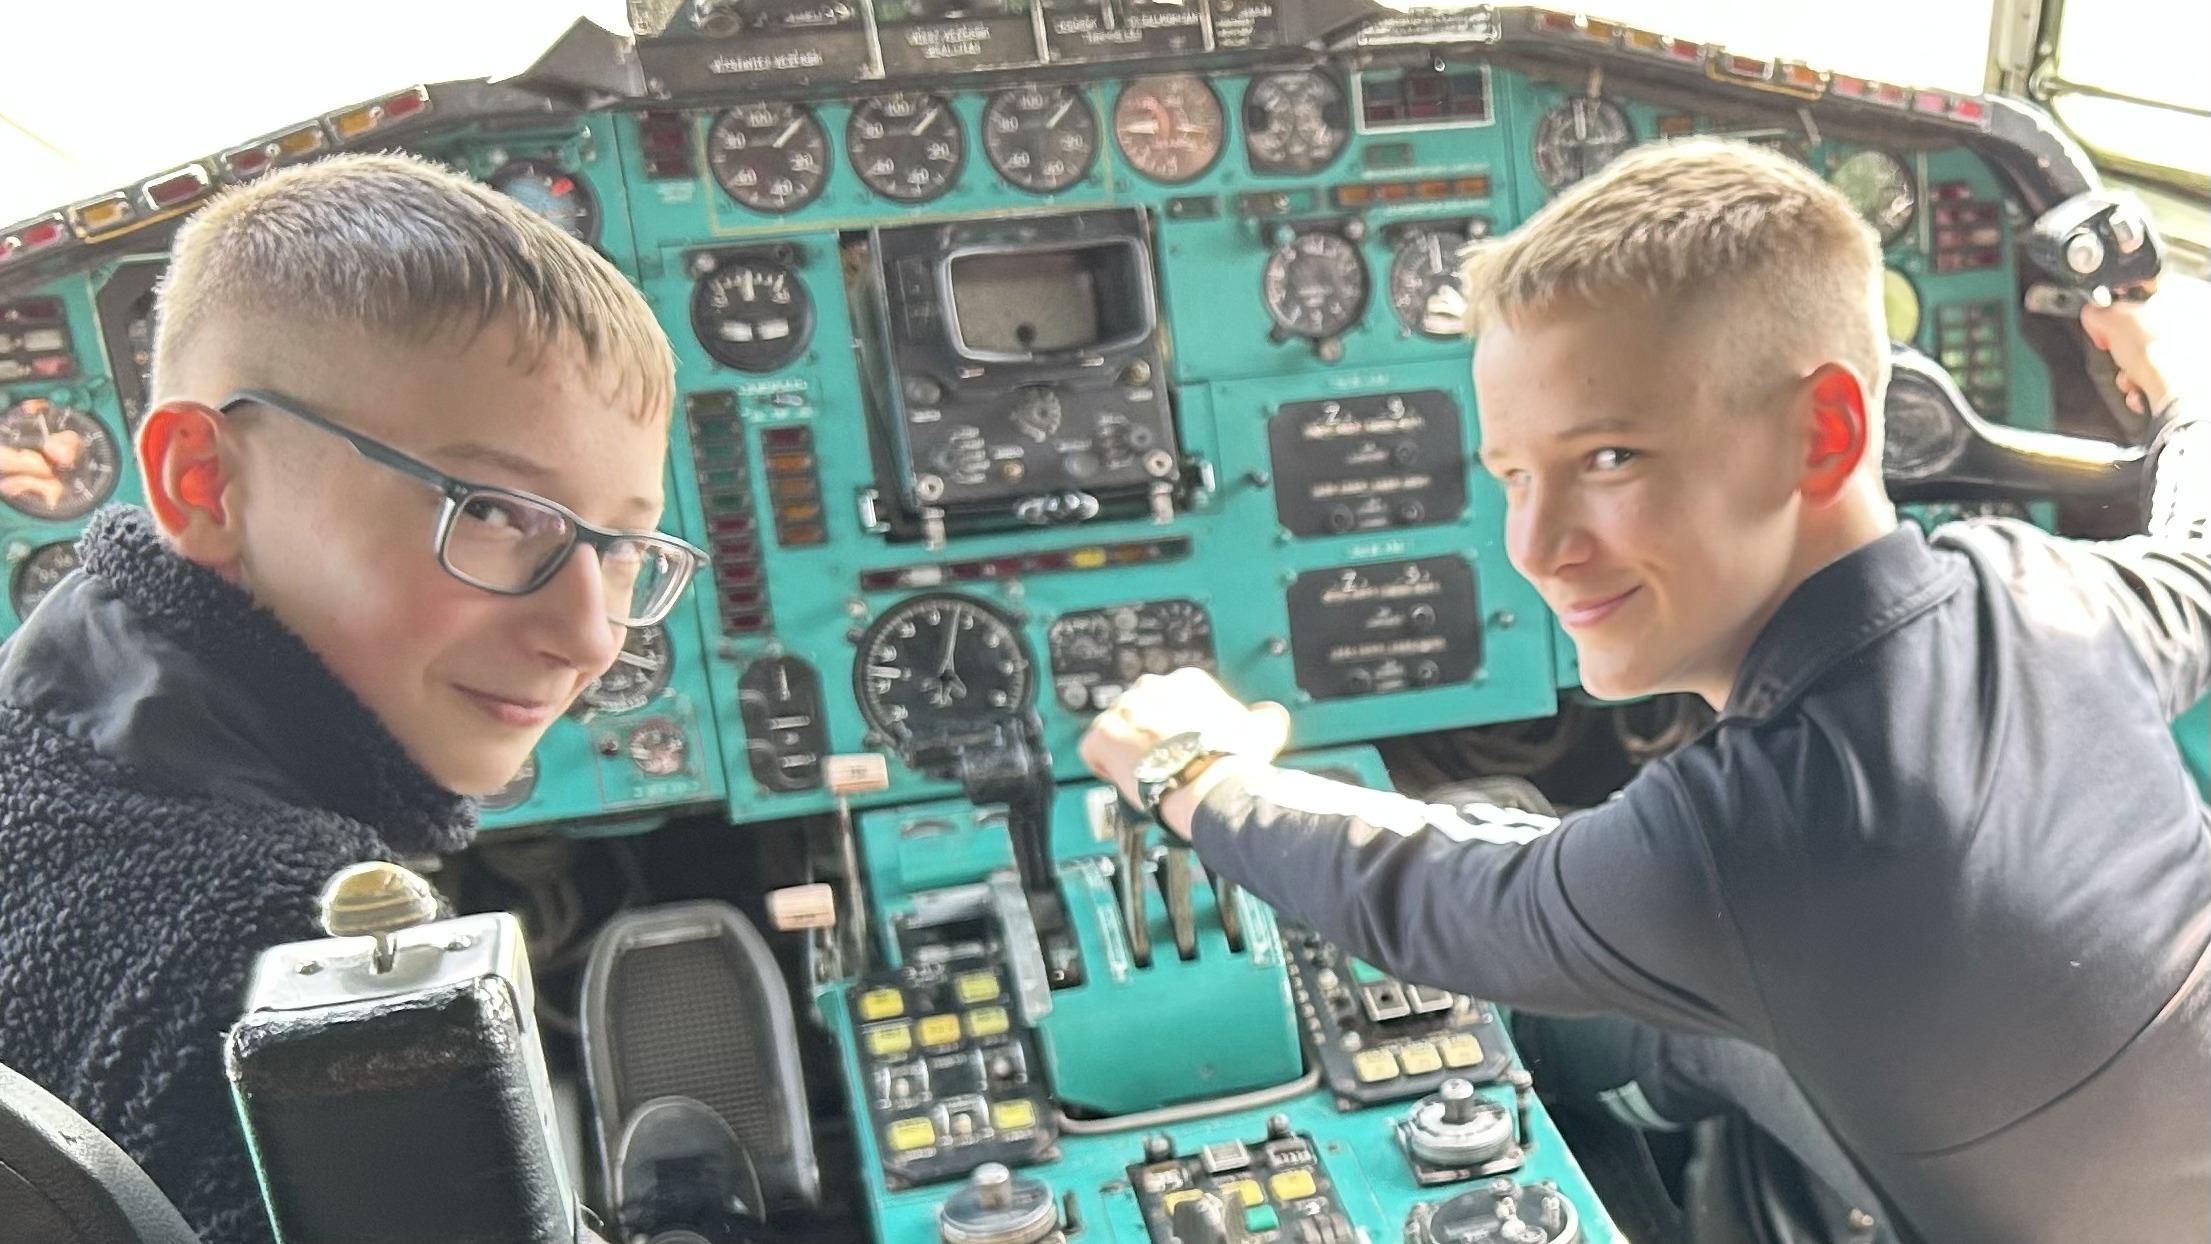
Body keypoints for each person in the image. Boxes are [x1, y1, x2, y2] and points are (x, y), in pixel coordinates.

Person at [1081, 139, 2211, 1244]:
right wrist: (2177, 388)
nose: (1536, 546)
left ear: (1822, 432)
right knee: (1701, 1014)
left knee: (1598, 1002)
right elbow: (2197, 550)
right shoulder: (2047, 589)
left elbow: (1437, 897)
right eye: (1513, 476)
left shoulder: (1743, 837)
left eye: (1609, 458)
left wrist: (1191, 769)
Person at [0, 152, 699, 1243]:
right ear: (204, 479)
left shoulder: (43, 745)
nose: (590, 637)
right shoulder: (289, 980)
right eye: (494, 510)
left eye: (618, 548)